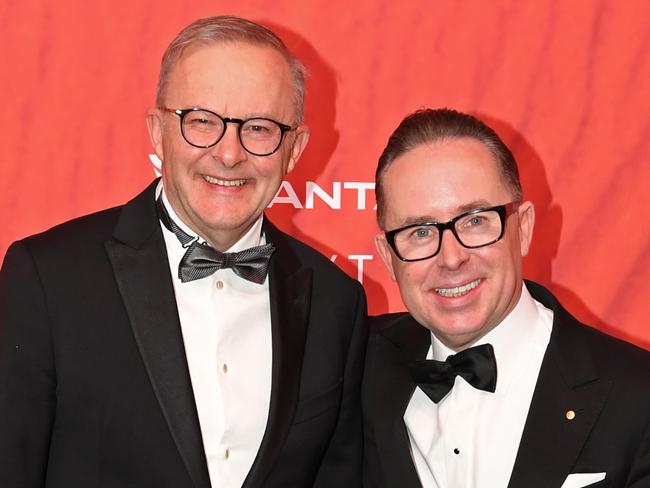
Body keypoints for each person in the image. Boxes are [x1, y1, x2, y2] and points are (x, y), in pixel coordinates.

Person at [0, 16, 367, 488]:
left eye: (258, 128)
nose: (229, 154)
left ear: (293, 149)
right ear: (158, 132)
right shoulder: (48, 278)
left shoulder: (337, 304)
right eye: (202, 122)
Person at [362, 108, 650, 488]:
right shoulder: (356, 367)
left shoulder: (638, 396)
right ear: (387, 255)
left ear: (524, 228)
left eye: (476, 220)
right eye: (420, 232)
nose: (451, 258)